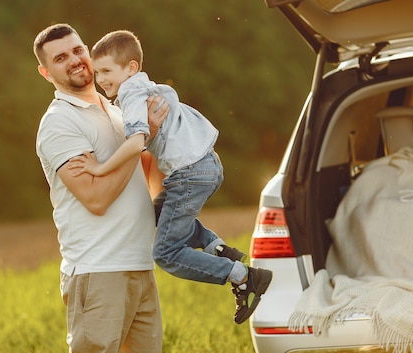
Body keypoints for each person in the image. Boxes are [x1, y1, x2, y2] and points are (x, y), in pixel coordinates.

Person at [68, 29, 273, 324]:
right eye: (97, 72)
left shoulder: (130, 92)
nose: (101, 80)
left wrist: (100, 168)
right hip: (204, 166)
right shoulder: (142, 88)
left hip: (189, 174)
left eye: (106, 71)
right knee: (153, 214)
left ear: (131, 68)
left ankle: (242, 276)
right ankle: (217, 247)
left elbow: (137, 139)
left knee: (165, 253)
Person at [33, 23, 168, 353]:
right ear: (46, 72)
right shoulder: (60, 121)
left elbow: (144, 174)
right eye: (61, 57)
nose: (75, 60)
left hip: (138, 264)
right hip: (99, 270)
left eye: (78, 50)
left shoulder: (118, 111)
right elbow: (96, 198)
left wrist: (170, 148)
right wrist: (140, 141)